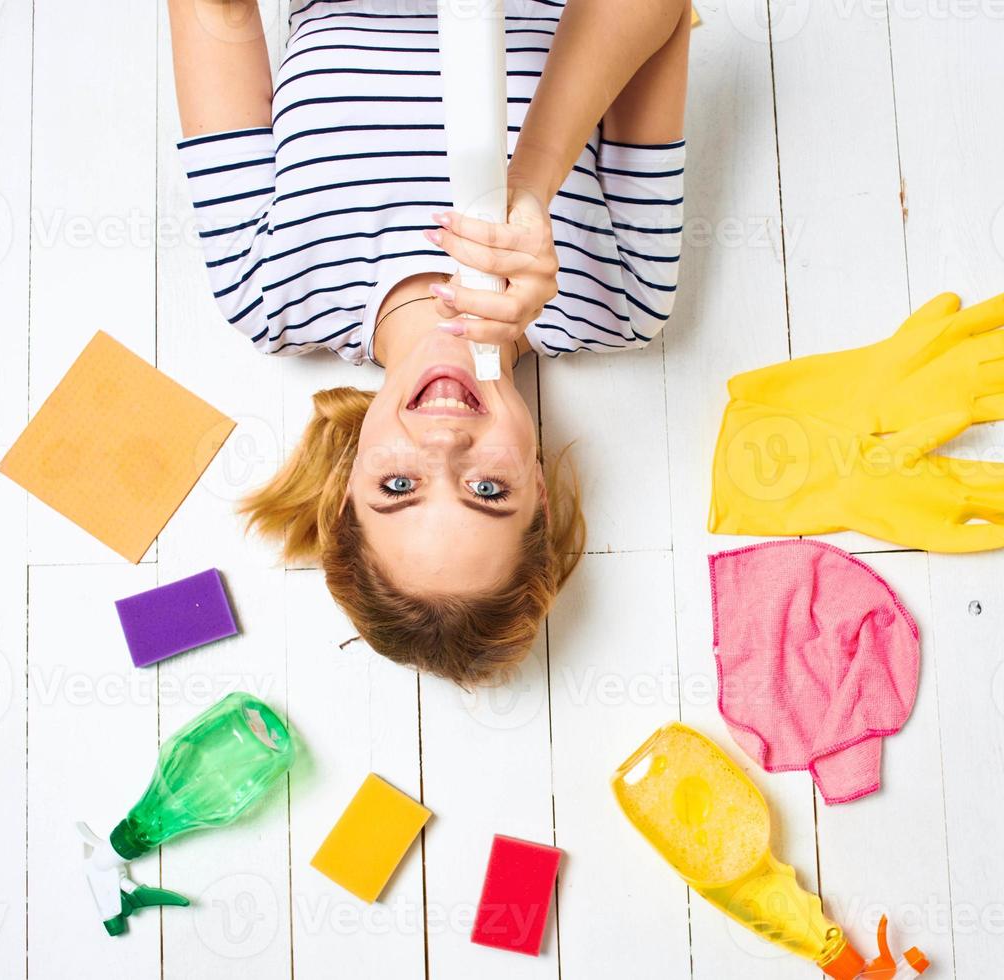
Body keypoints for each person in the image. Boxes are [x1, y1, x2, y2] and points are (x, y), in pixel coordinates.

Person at [167, 0, 691, 683]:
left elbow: (218, 15)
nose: (444, 445)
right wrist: (530, 186)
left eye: (399, 483)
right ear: (534, 485)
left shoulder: (267, 295)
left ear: (346, 483)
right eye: (487, 489)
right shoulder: (617, 301)